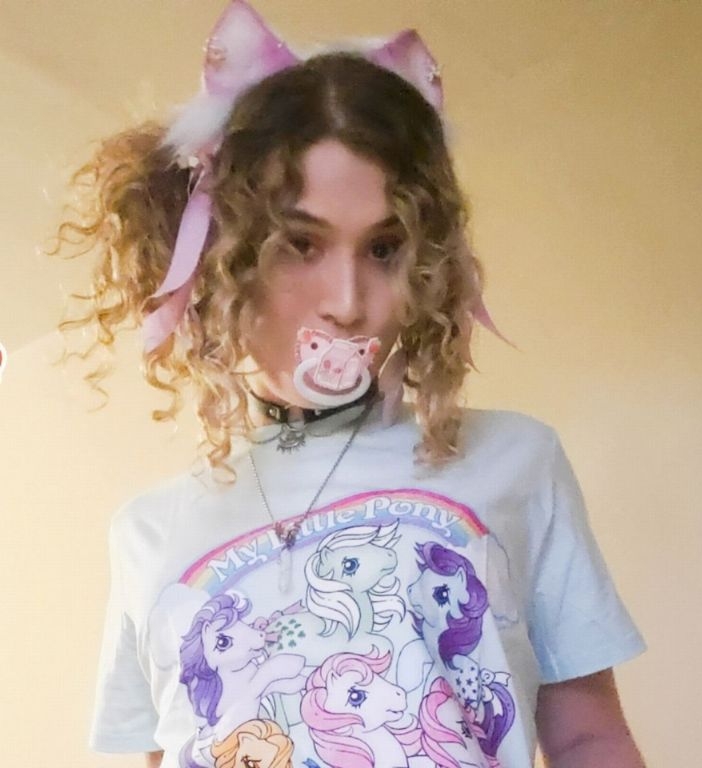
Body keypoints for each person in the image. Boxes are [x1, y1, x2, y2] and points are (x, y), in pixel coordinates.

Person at [55, 2, 646, 766]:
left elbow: (589, 737)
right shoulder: (148, 531)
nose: (346, 299)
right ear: (226, 258)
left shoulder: (518, 461)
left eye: (384, 248)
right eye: (300, 244)